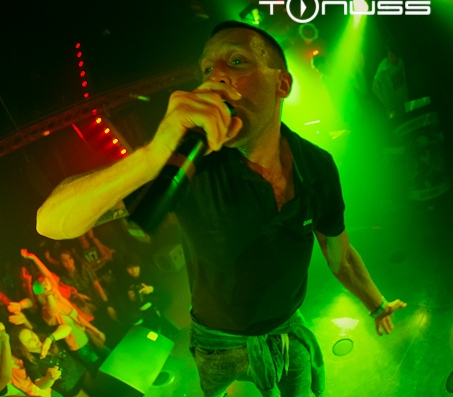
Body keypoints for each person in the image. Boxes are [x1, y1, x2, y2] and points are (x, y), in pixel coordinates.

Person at [36, 20, 408, 397]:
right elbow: (51, 222)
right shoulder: (193, 166)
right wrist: (151, 156)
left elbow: (339, 255)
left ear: (282, 84)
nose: (216, 76)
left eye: (237, 61)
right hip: (218, 343)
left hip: (287, 328)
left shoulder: (317, 165)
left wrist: (377, 306)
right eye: (207, 70)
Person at [373, 42, 408, 120]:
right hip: (393, 112)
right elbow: (375, 88)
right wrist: (389, 107)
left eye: (393, 55)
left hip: (404, 105)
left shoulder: (401, 61)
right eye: (389, 55)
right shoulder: (383, 67)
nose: (391, 58)